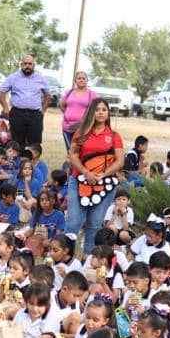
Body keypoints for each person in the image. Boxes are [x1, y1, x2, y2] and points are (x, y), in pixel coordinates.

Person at [66, 99, 125, 254]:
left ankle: (88, 261)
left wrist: (103, 174)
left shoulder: (114, 136)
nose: (100, 112)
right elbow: (73, 155)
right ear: (91, 112)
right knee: (73, 223)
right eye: (97, 109)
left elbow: (120, 161)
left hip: (103, 184)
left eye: (104, 109)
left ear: (108, 113)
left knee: (94, 224)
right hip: (79, 181)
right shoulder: (81, 133)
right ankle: (65, 259)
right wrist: (86, 172)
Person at [0, 54, 51, 147]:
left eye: (30, 64)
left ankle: (32, 161)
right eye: (25, 64)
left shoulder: (41, 78)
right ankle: (18, 161)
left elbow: (48, 94)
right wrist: (5, 108)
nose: (27, 66)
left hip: (35, 115)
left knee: (35, 144)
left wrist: (43, 110)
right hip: (17, 114)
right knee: (17, 143)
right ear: (21, 65)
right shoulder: (13, 77)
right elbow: (1, 91)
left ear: (33, 65)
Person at [60, 71, 97, 149]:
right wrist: (68, 114)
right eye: (79, 78)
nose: (81, 80)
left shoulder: (92, 94)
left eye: (83, 78)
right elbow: (62, 106)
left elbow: (94, 112)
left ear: (87, 80)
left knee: (80, 151)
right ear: (75, 80)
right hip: (67, 127)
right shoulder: (69, 92)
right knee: (70, 151)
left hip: (83, 128)